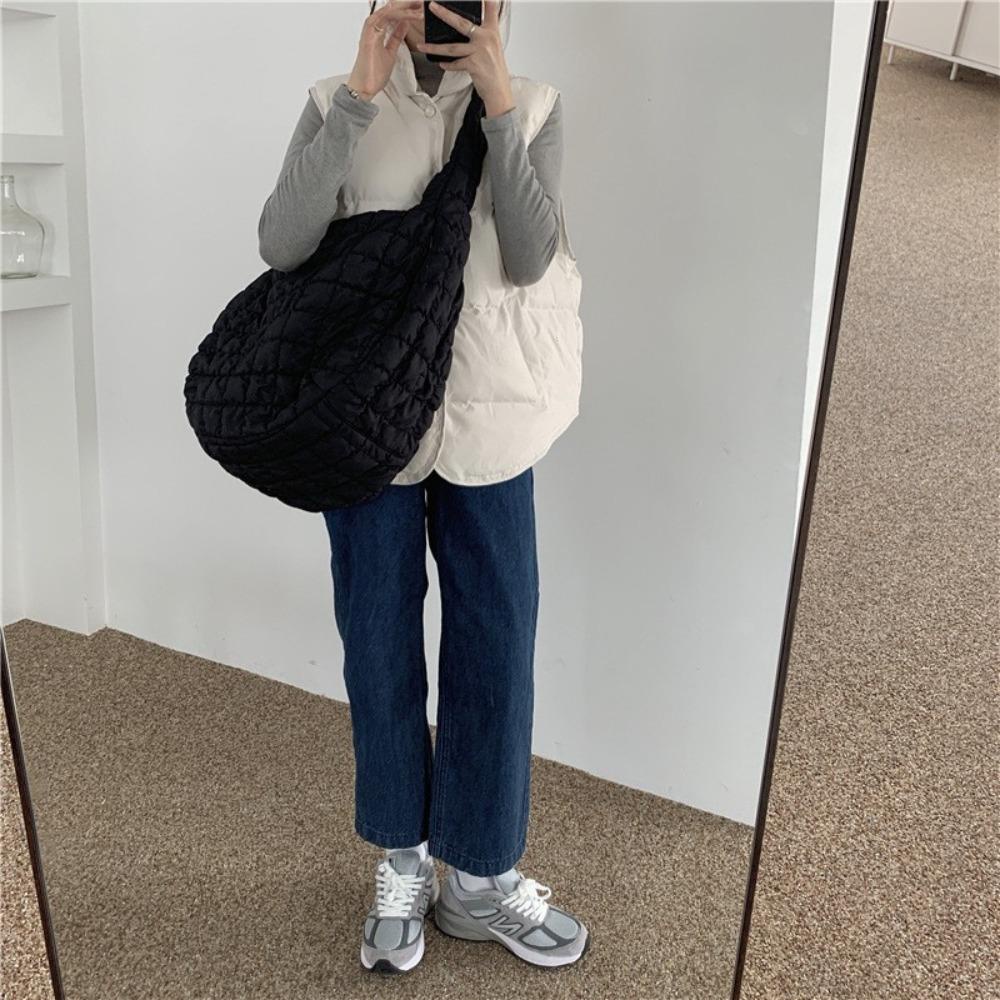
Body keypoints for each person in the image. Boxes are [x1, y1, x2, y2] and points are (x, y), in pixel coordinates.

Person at [257, 0, 585, 974]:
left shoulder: (534, 104)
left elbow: (529, 255)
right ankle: (401, 859)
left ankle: (479, 877)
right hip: (365, 422)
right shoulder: (335, 97)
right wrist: (359, 95)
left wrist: (498, 105)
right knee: (377, 637)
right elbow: (282, 242)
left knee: (498, 642)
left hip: (495, 417)